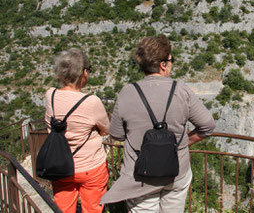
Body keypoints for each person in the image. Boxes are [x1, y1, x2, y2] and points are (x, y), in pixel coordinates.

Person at [101, 34, 215, 212]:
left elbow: (116, 134)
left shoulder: (127, 92)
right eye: (171, 60)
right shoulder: (181, 90)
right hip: (175, 172)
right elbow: (207, 126)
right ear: (163, 65)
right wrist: (183, 143)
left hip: (139, 176)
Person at [44, 48, 110, 213]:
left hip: (60, 165)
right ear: (84, 73)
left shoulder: (50, 95)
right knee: (93, 209)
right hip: (91, 166)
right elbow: (106, 129)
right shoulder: (91, 101)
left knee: (62, 209)